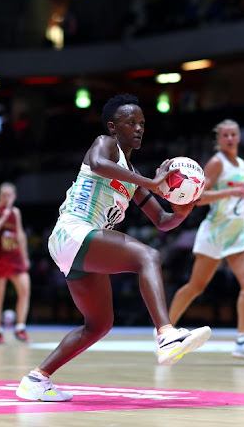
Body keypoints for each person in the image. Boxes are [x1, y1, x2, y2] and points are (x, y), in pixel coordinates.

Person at [15, 93, 211, 402]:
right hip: (74, 230)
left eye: (142, 123)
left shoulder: (131, 177)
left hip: (78, 245)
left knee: (99, 324)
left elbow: (161, 220)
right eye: (130, 122)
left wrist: (183, 211)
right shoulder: (105, 145)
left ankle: (36, 379)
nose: (138, 128)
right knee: (148, 256)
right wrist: (152, 181)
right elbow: (98, 164)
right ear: (112, 127)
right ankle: (166, 336)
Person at [167, 119, 244, 359]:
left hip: (239, 230)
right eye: (225, 135)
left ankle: (243, 342)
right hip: (215, 231)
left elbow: (238, 196)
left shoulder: (242, 164)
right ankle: (165, 331)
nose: (230, 139)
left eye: (234, 134)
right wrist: (232, 192)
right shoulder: (216, 163)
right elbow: (199, 198)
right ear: (218, 140)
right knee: (196, 286)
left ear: (240, 137)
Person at [0, 182, 31, 344]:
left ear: (14, 197)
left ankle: (20, 327)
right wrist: (3, 217)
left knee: (25, 290)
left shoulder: (16, 213)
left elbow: (20, 235)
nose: (6, 198)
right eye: (3, 195)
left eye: (9, 195)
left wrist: (25, 257)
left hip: (15, 256)